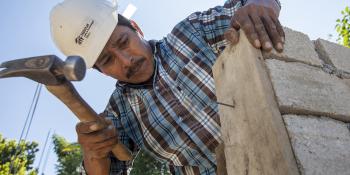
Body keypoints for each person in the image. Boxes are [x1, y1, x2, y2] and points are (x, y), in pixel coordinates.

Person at [50, 0, 284, 174]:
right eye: (107, 61)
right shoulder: (117, 114)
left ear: (136, 28)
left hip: (280, 153)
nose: (125, 61)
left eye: (123, 42)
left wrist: (259, 7)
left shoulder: (191, 32)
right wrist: (93, 154)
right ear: (101, 71)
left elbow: (247, 7)